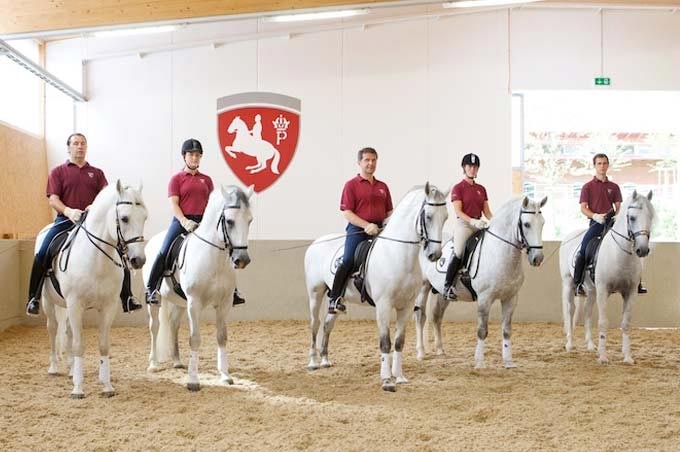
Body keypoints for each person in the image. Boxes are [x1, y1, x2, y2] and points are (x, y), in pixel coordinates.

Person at [26, 133, 142, 316]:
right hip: (65, 221)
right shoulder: (58, 172)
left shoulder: (96, 173)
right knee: (43, 251)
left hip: (91, 222)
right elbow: (53, 199)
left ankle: (127, 297)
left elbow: (105, 198)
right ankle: (34, 297)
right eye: (76, 143)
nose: (80, 146)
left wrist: (93, 206)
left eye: (83, 144)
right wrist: (69, 211)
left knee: (120, 253)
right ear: (69, 147)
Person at [145, 138, 246, 306]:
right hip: (181, 221)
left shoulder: (206, 180)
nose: (194, 158)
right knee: (164, 250)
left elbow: (211, 205)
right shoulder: (176, 179)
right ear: (184, 156)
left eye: (198, 155)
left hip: (203, 222)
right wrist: (184, 221)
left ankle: (233, 291)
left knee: (227, 247)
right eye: (191, 155)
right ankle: (151, 289)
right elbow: (174, 205)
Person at [327, 147, 393, 314]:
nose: (370, 163)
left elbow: (389, 212)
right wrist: (366, 225)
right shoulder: (351, 185)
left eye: (373, 160)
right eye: (367, 160)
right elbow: (347, 212)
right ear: (359, 163)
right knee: (348, 260)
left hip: (379, 229)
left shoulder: (383, 186)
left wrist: (388, 224)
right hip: (358, 229)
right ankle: (335, 298)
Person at [443, 153, 493, 300]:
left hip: (479, 224)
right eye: (470, 166)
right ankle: (448, 286)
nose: (472, 169)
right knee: (458, 251)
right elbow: (458, 211)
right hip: (464, 224)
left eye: (475, 166)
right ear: (464, 168)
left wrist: (496, 222)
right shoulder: (458, 188)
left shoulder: (481, 189)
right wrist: (472, 221)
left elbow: (487, 212)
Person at [573, 153, 622, 295]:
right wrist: (595, 216)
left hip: (611, 223)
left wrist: (617, 216)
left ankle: (637, 282)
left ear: (608, 165)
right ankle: (578, 284)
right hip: (596, 223)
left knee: (631, 245)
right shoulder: (587, 187)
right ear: (595, 166)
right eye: (599, 163)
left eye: (605, 163)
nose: (602, 166)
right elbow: (583, 208)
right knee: (583, 250)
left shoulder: (614, 187)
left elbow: (618, 206)